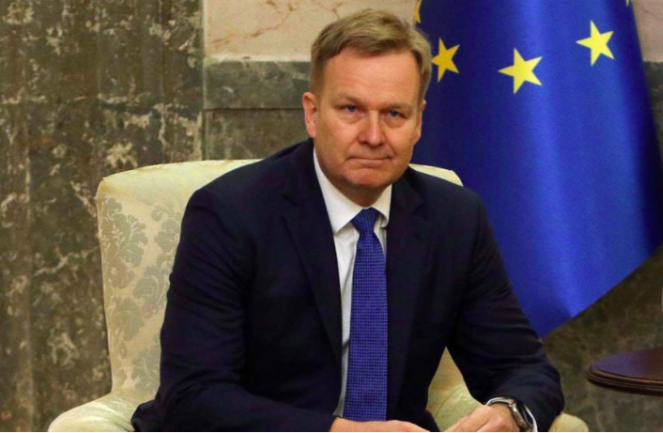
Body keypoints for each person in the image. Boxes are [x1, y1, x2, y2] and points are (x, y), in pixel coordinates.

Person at [131, 9, 564, 432]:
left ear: (418, 122)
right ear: (313, 113)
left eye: (394, 114)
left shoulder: (454, 218)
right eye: (351, 109)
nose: (373, 136)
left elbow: (522, 367)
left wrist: (509, 413)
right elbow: (195, 395)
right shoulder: (230, 213)